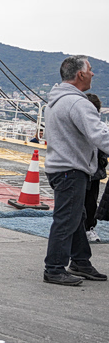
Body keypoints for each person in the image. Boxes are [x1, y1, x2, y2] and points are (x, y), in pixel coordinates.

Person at [43, 56, 109, 285]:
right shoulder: (78, 103)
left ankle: (81, 261)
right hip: (71, 170)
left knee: (76, 216)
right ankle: (54, 268)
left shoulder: (55, 100)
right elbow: (99, 134)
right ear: (80, 74)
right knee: (66, 220)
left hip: (59, 168)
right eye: (90, 70)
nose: (92, 74)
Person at [82, 93, 106, 243]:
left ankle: (89, 227)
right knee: (86, 202)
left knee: (90, 202)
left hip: (93, 171)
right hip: (85, 169)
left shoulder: (99, 127)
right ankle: (85, 228)